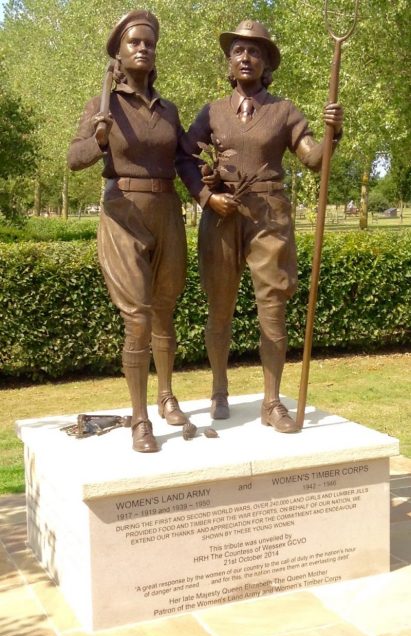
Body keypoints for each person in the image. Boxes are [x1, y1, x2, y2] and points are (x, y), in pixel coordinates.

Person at [180, 20, 343, 433]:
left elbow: (312, 158)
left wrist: (332, 134)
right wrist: (205, 195)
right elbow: (183, 157)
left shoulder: (284, 111)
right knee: (220, 306)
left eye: (255, 51)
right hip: (221, 215)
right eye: (238, 51)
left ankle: (272, 402)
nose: (246, 57)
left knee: (273, 308)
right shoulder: (212, 111)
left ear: (267, 62)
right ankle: (219, 388)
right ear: (230, 63)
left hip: (270, 215)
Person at [68, 10, 189, 453]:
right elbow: (75, 158)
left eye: (149, 43)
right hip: (122, 211)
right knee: (137, 316)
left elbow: (184, 162)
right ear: (119, 51)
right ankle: (140, 418)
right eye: (134, 42)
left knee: (164, 308)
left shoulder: (169, 110)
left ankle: (166, 394)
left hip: (166, 208)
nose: (143, 48)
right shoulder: (103, 106)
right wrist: (99, 140)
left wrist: (209, 185)